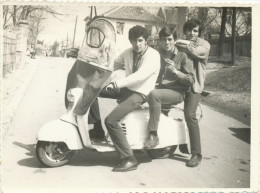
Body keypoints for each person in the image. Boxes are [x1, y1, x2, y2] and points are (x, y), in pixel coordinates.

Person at [104, 25, 160, 172]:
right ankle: (96, 130)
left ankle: (128, 159)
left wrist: (116, 84)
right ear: (130, 41)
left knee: (111, 120)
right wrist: (99, 67)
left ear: (146, 40)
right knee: (93, 91)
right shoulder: (128, 52)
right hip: (127, 89)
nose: (137, 44)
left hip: (141, 93)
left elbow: (139, 76)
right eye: (134, 41)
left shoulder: (153, 55)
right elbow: (113, 64)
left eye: (140, 40)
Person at [144, 26, 195, 149]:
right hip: (161, 89)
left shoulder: (182, 56)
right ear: (160, 41)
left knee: (154, 95)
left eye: (169, 39)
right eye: (164, 39)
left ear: (175, 40)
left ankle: (153, 135)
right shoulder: (158, 54)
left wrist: (176, 72)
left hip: (176, 92)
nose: (167, 42)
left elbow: (191, 80)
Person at [175, 19, 211, 167]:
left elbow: (194, 51)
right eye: (189, 30)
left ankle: (197, 154)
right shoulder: (184, 42)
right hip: (180, 82)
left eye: (195, 31)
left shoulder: (204, 45)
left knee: (190, 115)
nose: (192, 33)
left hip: (194, 86)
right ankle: (175, 141)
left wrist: (180, 42)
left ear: (199, 32)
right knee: (162, 105)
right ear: (185, 31)